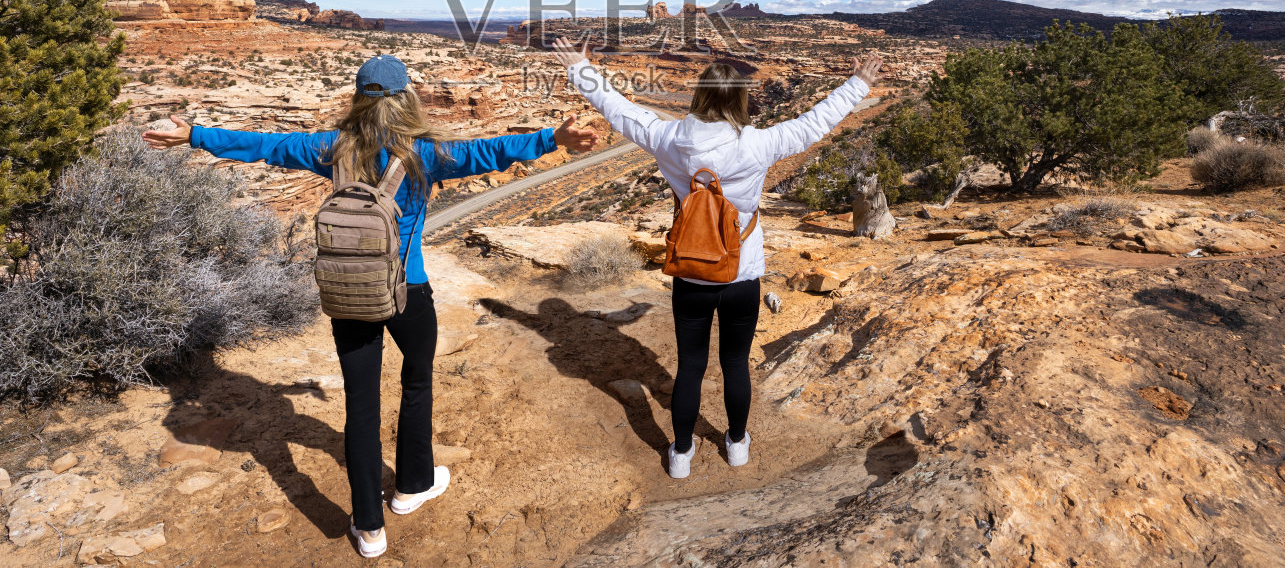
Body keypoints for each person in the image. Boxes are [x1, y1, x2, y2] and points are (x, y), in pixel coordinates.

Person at [143, 53, 597, 559]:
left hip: (349, 295)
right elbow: (489, 152)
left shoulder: (329, 148)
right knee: (417, 384)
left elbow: (265, 147)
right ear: (407, 99)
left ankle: (369, 527)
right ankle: (410, 488)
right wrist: (552, 139)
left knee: (361, 405)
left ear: (359, 99)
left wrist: (195, 135)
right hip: (410, 292)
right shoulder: (426, 154)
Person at [550, 36, 881, 478]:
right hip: (741, 275)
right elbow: (815, 123)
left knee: (690, 366)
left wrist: (580, 68)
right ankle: (737, 444)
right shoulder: (760, 144)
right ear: (741, 101)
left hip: (691, 273)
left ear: (699, 95)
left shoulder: (668, 138)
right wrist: (858, 83)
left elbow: (618, 108)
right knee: (734, 364)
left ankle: (681, 453)